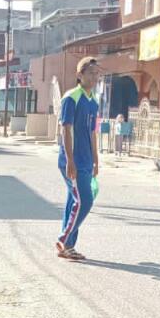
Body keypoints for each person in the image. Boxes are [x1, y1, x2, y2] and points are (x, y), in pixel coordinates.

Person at [57, 57, 102, 261]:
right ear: (79, 75)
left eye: (96, 73)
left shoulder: (93, 101)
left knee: (73, 203)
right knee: (84, 201)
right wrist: (70, 161)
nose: (94, 77)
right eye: (90, 73)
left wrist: (96, 160)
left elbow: (93, 133)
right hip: (72, 160)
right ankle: (64, 241)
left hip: (86, 160)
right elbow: (65, 129)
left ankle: (69, 246)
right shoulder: (71, 97)